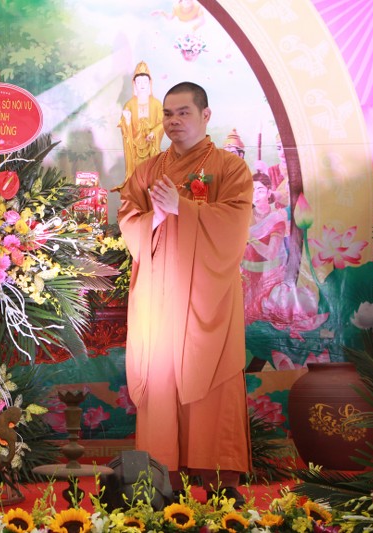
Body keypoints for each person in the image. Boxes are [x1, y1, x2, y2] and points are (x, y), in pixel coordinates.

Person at [117, 81, 253, 505]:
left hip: (210, 294)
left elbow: (236, 223)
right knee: (161, 377)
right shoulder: (148, 171)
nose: (174, 121)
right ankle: (165, 480)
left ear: (205, 115)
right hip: (159, 293)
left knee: (213, 377)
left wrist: (184, 209)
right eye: (168, 114)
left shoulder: (229, 169)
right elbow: (129, 219)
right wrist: (156, 217)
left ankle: (220, 479)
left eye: (184, 113)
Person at [242, 172, 289, 325]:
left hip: (270, 276)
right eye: (252, 190)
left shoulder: (276, 218)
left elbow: (271, 253)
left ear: (269, 193)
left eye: (260, 190)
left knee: (264, 315)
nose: (255, 194)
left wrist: (250, 238)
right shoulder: (244, 216)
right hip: (246, 274)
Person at [116, 61, 164, 190]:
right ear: (134, 84)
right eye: (139, 82)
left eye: (145, 81)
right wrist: (127, 121)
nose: (142, 85)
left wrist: (154, 132)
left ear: (149, 83)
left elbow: (163, 122)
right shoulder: (130, 104)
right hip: (135, 150)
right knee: (137, 179)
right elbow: (125, 129)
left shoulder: (156, 104)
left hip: (151, 148)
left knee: (152, 176)